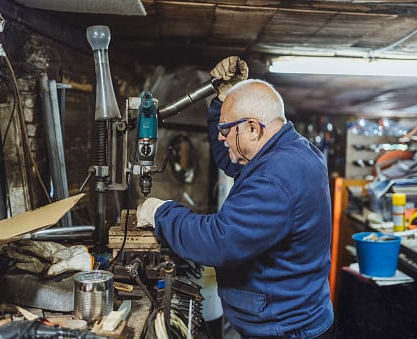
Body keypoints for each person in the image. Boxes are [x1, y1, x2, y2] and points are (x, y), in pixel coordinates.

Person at [137, 56, 334, 339]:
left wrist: (161, 213)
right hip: (297, 316)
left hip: (287, 331)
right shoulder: (293, 149)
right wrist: (222, 99)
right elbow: (232, 159)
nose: (220, 138)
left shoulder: (275, 177)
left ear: (253, 128)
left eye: (226, 129)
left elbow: (220, 241)